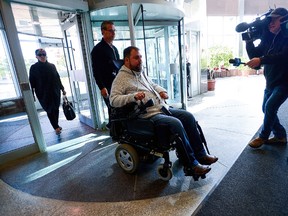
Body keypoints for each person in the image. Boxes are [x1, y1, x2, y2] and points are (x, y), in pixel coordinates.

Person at [110, 46, 218, 177]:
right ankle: (191, 165)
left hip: (161, 108)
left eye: (141, 57)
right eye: (136, 57)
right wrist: (132, 96)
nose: (140, 60)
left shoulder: (140, 72)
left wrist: (161, 90)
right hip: (147, 115)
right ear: (127, 60)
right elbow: (113, 100)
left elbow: (152, 85)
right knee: (176, 123)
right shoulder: (121, 78)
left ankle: (201, 155)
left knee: (188, 116)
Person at [245, 8, 288, 148]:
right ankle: (280, 135)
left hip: (284, 82)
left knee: (270, 106)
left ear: (284, 20)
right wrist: (249, 40)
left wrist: (261, 60)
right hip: (270, 80)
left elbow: (282, 56)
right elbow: (255, 55)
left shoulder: (286, 37)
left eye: (274, 19)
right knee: (265, 108)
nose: (270, 22)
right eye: (269, 19)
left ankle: (263, 137)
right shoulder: (268, 38)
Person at [29, 48, 66, 135]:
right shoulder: (34, 68)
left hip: (55, 90)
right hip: (43, 93)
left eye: (44, 54)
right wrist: (32, 94)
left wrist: (62, 88)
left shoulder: (52, 66)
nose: (42, 56)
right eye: (40, 54)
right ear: (36, 56)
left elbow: (57, 78)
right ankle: (56, 127)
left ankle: (56, 125)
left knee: (56, 108)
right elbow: (32, 81)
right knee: (49, 109)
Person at [91, 20, 120, 129]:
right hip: (107, 85)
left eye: (114, 31)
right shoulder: (98, 50)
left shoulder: (114, 49)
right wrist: (102, 87)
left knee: (116, 107)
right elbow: (96, 70)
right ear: (103, 31)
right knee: (112, 107)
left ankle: (115, 128)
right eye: (111, 30)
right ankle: (114, 130)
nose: (113, 33)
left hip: (117, 84)